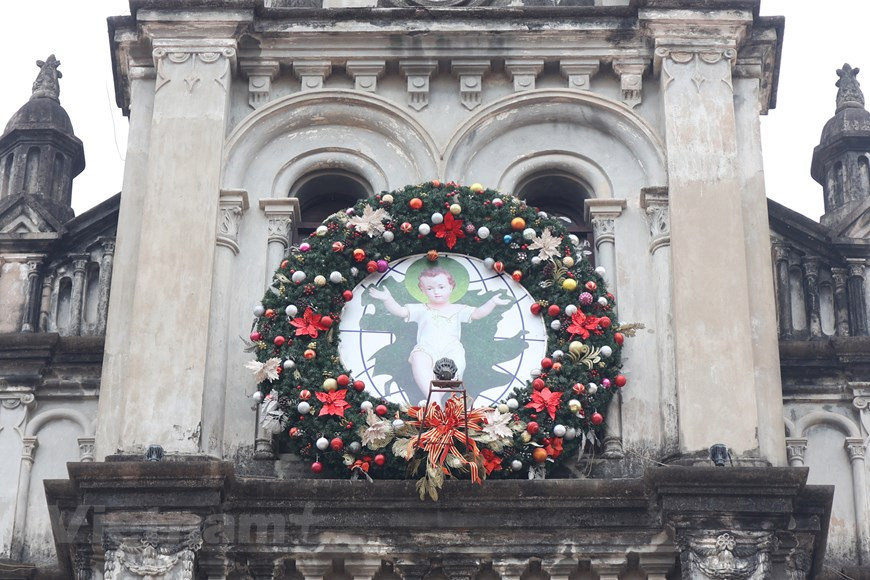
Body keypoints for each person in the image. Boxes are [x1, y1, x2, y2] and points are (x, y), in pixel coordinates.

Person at [369, 267, 510, 404]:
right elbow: (400, 311)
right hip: (426, 349)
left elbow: (477, 314)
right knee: (418, 360)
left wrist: (492, 302)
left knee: (453, 369)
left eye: (441, 287)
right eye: (430, 288)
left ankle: (433, 402)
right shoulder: (421, 309)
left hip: (451, 350)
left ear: (451, 287)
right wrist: (387, 299)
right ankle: (434, 402)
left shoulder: (458, 309)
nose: (436, 292)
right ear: (422, 290)